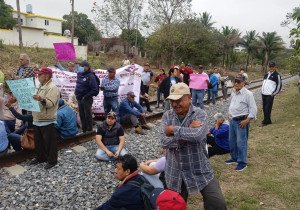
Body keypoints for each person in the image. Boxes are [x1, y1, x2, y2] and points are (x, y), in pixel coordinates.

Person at [160, 82, 227, 209]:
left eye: (179, 100)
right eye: (172, 100)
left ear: (189, 97)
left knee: (218, 204)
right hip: (175, 171)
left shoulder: (200, 114)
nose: (175, 104)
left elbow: (197, 136)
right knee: (173, 206)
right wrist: (187, 130)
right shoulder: (167, 116)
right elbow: (164, 142)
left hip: (200, 168)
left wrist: (173, 129)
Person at [30, 67, 60, 170]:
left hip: (47, 119)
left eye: (40, 75)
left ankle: (52, 160)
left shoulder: (53, 87)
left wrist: (41, 99)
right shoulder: (39, 85)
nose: (38, 76)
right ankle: (41, 157)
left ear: (46, 76)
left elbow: (50, 103)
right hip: (37, 117)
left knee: (49, 142)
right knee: (39, 141)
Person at [226, 74, 257, 171]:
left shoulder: (248, 94)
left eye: (238, 81)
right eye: (235, 81)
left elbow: (253, 109)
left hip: (241, 122)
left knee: (241, 142)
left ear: (243, 83)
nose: (236, 83)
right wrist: (229, 113)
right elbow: (232, 104)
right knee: (232, 141)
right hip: (232, 120)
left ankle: (242, 162)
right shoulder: (234, 92)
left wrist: (247, 120)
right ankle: (234, 157)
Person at [75, 61, 99, 133]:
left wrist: (85, 96)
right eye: (80, 66)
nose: (81, 68)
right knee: (81, 114)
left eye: (82, 67)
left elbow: (95, 90)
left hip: (86, 99)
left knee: (87, 114)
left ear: (87, 67)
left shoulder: (91, 76)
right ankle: (84, 129)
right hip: (79, 98)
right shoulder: (79, 74)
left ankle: (89, 129)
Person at [261, 62, 282, 126]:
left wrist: (274, 93)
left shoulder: (277, 75)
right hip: (263, 94)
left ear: (275, 67)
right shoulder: (266, 74)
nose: (271, 68)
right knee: (264, 108)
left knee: (268, 108)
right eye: (270, 66)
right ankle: (267, 120)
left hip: (270, 95)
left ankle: (266, 122)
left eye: (272, 66)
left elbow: (279, 85)